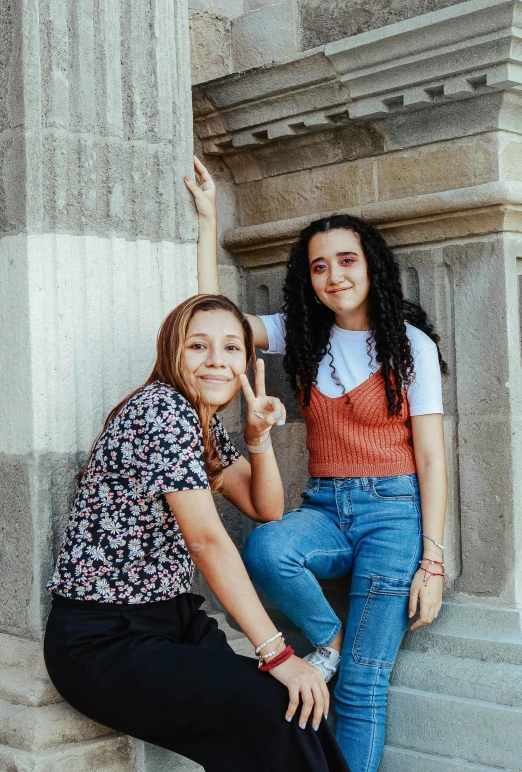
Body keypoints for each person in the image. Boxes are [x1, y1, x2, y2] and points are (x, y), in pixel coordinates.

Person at [187, 156, 448, 772]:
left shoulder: (412, 346)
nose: (333, 275)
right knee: (268, 548)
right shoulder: (302, 334)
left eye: (346, 260)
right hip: (326, 506)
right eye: (319, 266)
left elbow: (431, 455)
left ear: (371, 266)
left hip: (394, 513)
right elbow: (211, 317)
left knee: (360, 687)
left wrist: (431, 559)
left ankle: (342, 665)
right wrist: (208, 220)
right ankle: (329, 639)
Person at [44, 292, 350, 772]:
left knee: (291, 710)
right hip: (102, 641)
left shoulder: (198, 421)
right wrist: (277, 653)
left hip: (170, 621)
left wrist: (257, 439)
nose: (217, 361)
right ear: (173, 352)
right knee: (278, 704)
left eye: (232, 348)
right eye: (198, 346)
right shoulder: (161, 411)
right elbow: (206, 541)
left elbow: (264, 507)